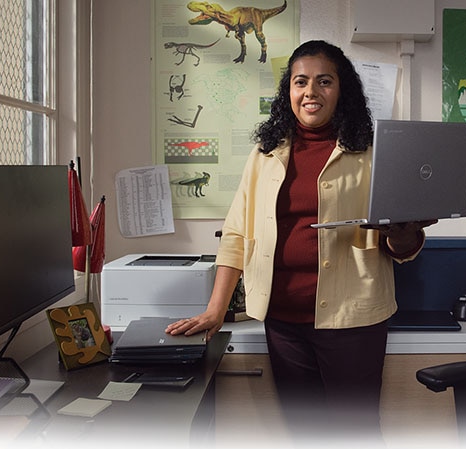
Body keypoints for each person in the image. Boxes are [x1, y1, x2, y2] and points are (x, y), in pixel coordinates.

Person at [166, 40, 436, 444]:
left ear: (341, 90)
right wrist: (214, 310)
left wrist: (403, 234)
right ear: (288, 92)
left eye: (324, 81)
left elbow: (403, 248)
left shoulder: (373, 153)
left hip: (353, 321)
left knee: (356, 433)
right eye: (300, 82)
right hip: (284, 323)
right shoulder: (266, 153)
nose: (311, 91)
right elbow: (238, 233)